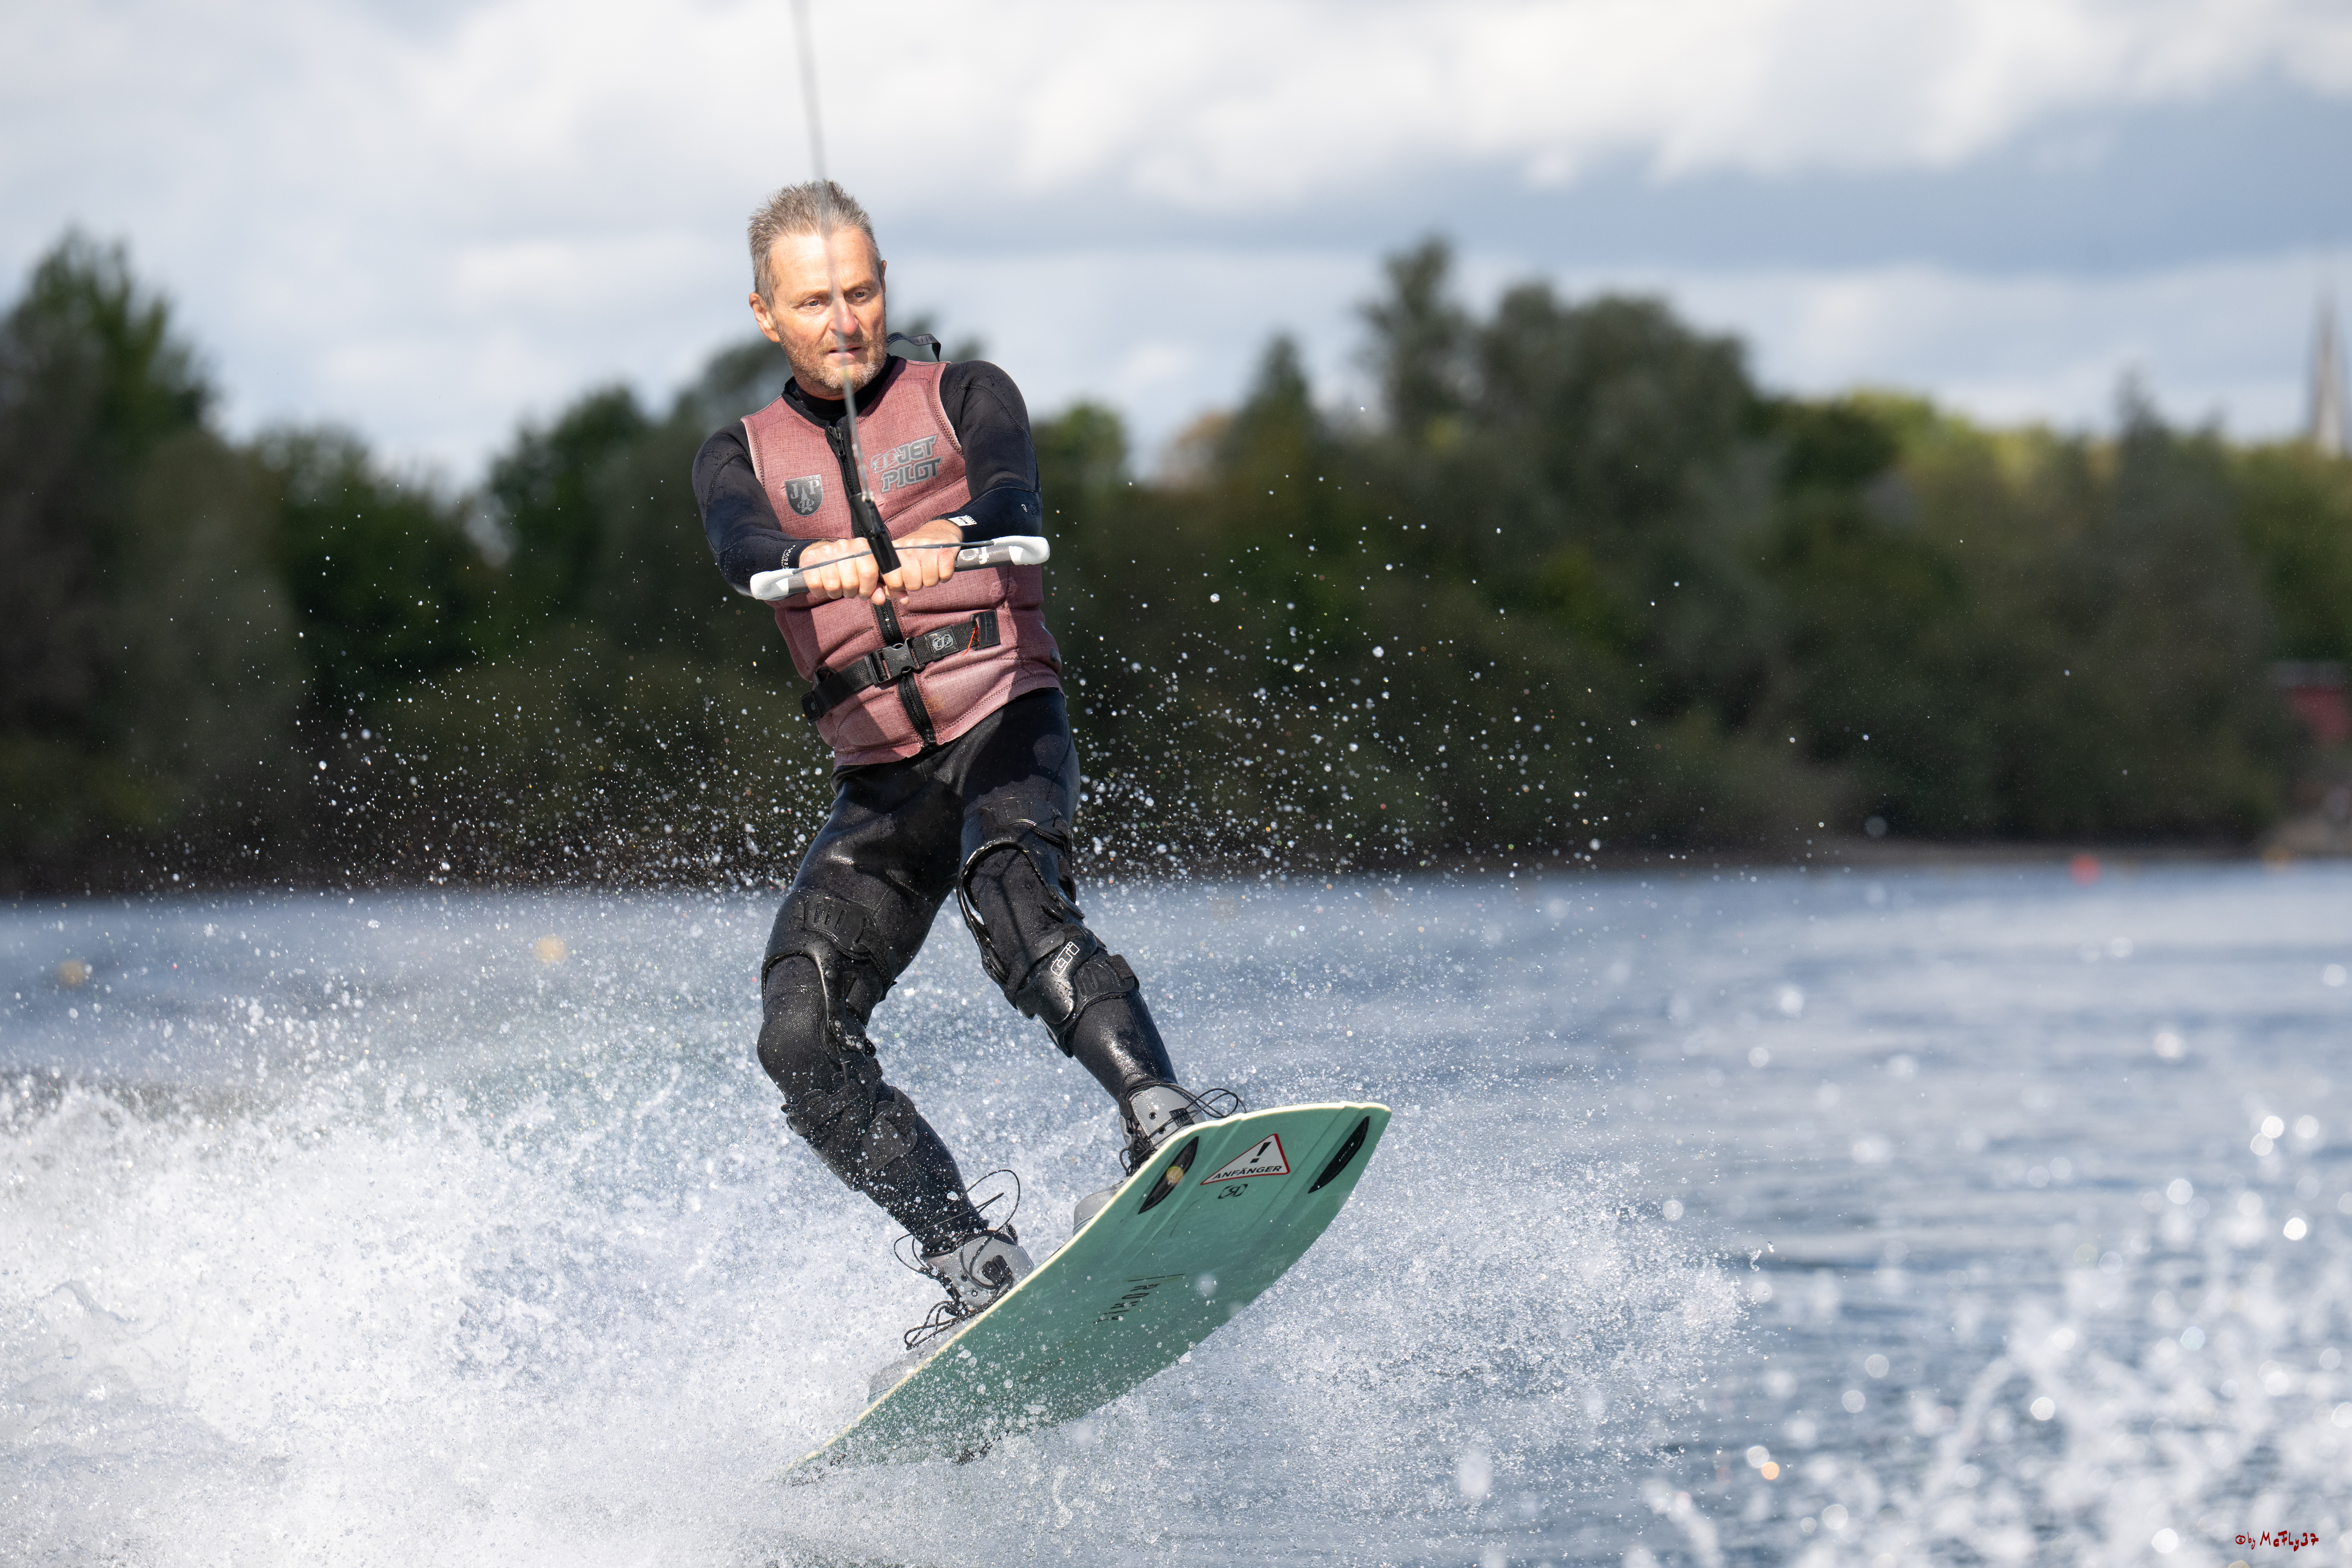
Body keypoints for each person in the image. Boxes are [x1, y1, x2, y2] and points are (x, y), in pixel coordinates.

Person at [691, 181, 1214, 1343]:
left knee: (1015, 899)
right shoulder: (735, 456)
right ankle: (969, 1254)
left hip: (1003, 719)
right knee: (797, 1029)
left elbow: (1017, 495)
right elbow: (743, 548)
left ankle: (1162, 1115)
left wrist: (957, 538)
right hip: (881, 784)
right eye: (815, 300)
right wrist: (807, 565)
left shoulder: (969, 394)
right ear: (767, 313)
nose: (846, 320)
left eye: (864, 290)